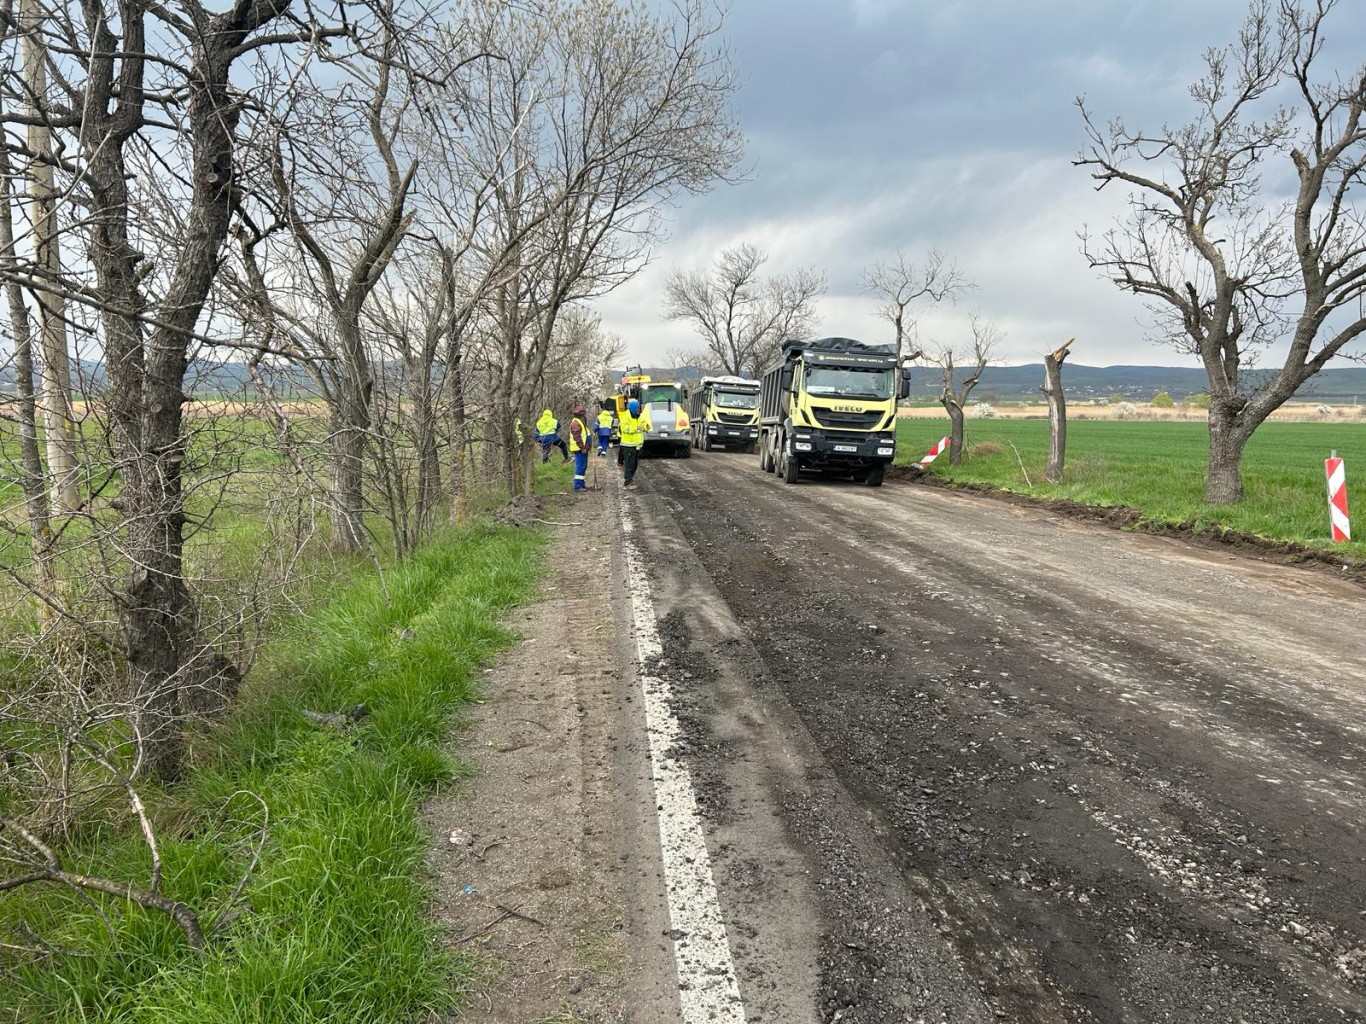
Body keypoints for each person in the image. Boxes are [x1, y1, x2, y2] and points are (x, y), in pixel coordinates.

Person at [618, 398, 651, 489]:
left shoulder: (638, 416)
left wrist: (646, 426)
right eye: (637, 408)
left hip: (636, 445)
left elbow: (642, 423)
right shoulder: (625, 416)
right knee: (629, 464)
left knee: (634, 464)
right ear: (633, 409)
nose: (638, 410)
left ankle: (630, 479)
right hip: (628, 445)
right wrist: (636, 428)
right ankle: (627, 482)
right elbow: (624, 428)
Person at [567, 405, 592, 491]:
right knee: (580, 466)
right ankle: (578, 485)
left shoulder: (580, 422)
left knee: (583, 466)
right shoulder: (576, 423)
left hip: (582, 448)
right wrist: (583, 447)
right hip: (579, 449)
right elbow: (577, 436)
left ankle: (581, 483)